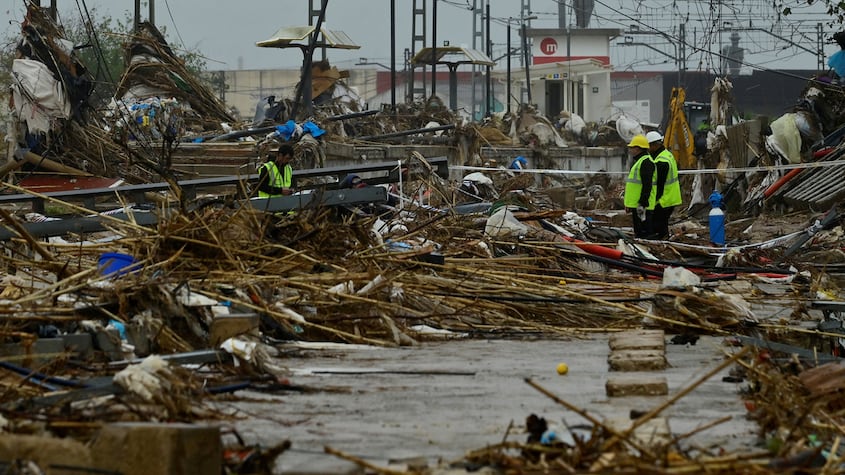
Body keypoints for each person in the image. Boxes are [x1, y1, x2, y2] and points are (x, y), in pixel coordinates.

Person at [646, 131, 682, 240]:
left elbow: (659, 185)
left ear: (654, 145)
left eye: (648, 146)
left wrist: (652, 201)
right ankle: (664, 242)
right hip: (670, 197)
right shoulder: (667, 154)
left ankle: (661, 245)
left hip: (663, 199)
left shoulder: (661, 161)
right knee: (662, 225)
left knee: (657, 226)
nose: (647, 149)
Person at [624, 135, 655, 238]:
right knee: (639, 232)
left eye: (632, 147)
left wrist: (642, 203)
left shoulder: (646, 162)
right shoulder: (640, 161)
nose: (630, 149)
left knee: (644, 233)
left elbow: (647, 185)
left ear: (637, 148)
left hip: (642, 206)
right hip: (637, 205)